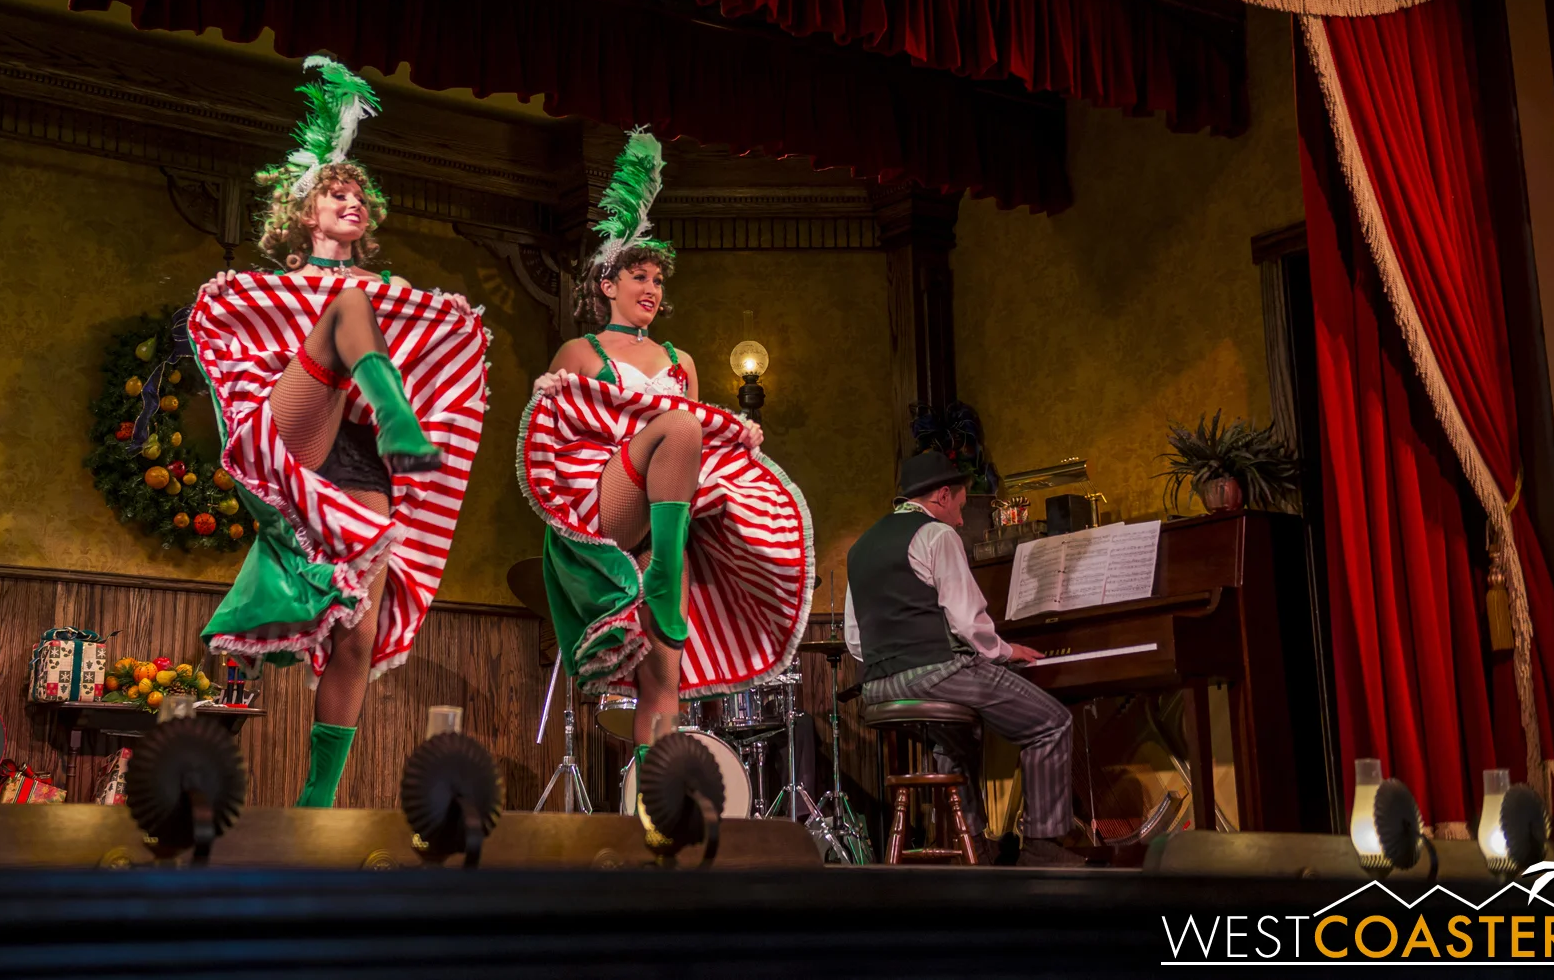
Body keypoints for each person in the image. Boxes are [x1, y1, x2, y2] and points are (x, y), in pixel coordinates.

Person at [191, 56, 490, 808]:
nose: (352, 203)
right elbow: (231, 341)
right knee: (347, 308)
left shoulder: (399, 296)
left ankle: (318, 799)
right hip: (296, 444)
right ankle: (395, 419)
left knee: (357, 635)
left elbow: (442, 351)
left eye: (359, 196)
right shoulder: (272, 290)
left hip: (362, 468)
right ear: (303, 212)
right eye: (336, 193)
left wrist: (455, 324)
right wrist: (228, 296)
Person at [519, 128, 813, 774]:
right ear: (607, 284)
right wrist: (552, 395)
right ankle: (658, 574)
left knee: (664, 682)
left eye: (657, 279)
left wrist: (738, 436)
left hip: (664, 526)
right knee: (678, 425)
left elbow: (700, 449)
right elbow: (556, 435)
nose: (651, 287)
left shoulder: (681, 361)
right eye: (638, 276)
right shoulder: (581, 352)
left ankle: (654, 803)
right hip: (605, 504)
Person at [844, 451, 1082, 867]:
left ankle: (972, 848)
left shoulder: (860, 549)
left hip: (878, 685)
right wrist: (1005, 651)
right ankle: (1043, 848)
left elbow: (854, 638)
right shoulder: (936, 535)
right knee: (1051, 723)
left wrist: (897, 658)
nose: (960, 517)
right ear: (941, 495)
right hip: (934, 671)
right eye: (960, 503)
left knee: (956, 737)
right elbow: (968, 621)